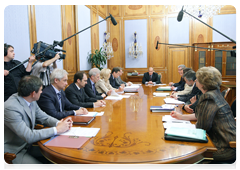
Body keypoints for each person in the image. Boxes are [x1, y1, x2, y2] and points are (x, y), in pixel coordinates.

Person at [170, 66, 238, 168]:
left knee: (185, 158)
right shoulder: (215, 93)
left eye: (197, 79)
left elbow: (202, 127)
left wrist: (184, 128)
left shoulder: (208, 97)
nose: (195, 80)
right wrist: (181, 117)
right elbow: (201, 116)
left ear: (202, 83)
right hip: (229, 142)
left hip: (225, 146)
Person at [4, 75, 72, 169]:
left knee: (64, 155)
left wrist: (59, 123)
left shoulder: (30, 99)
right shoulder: (10, 108)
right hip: (15, 152)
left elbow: (43, 116)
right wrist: (56, 130)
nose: (42, 92)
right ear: (33, 93)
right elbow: (28, 136)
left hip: (29, 145)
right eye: (40, 90)